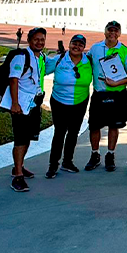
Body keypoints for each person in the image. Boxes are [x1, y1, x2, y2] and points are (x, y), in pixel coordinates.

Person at [86, 21, 127, 172]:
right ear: (105, 31)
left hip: (117, 93)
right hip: (99, 93)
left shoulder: (125, 51)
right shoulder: (95, 48)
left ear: (119, 33)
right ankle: (95, 155)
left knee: (114, 125)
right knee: (94, 126)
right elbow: (86, 62)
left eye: (115, 30)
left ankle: (110, 155)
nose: (112, 33)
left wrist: (117, 83)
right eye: (110, 30)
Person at [44, 34, 92, 179]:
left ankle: (67, 162)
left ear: (84, 48)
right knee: (59, 133)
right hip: (59, 101)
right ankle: (53, 165)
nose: (76, 47)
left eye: (80, 45)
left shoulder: (89, 61)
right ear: (69, 44)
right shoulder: (59, 59)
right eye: (74, 44)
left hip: (80, 101)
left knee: (73, 132)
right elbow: (41, 70)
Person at [6, 27, 47, 192]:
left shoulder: (40, 57)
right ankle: (17, 177)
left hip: (34, 104)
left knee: (28, 137)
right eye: (36, 39)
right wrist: (15, 103)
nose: (40, 42)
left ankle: (19, 167)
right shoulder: (21, 57)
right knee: (20, 139)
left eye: (42, 39)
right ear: (29, 41)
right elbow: (13, 80)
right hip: (22, 105)